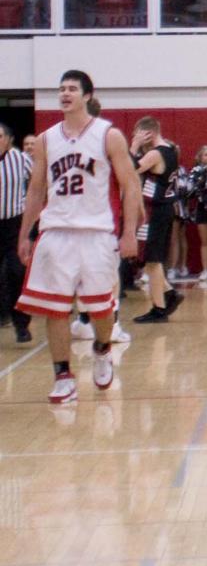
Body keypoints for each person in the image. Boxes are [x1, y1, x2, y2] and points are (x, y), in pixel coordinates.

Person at [16, 70, 142, 404]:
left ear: (87, 95)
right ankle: (63, 375)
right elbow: (36, 189)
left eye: (72, 88)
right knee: (55, 310)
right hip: (55, 232)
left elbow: (130, 185)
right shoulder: (45, 139)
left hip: (96, 233)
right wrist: (26, 233)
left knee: (100, 309)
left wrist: (129, 232)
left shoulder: (108, 135)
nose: (65, 93)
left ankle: (102, 348)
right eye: (61, 89)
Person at [129, 117, 184, 324]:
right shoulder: (170, 149)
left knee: (152, 260)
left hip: (157, 210)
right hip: (164, 208)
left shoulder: (155, 153)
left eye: (138, 135)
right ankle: (169, 293)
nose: (136, 138)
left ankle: (159, 308)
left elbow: (130, 167)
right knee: (150, 259)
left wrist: (133, 147)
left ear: (147, 133)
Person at [0, 123, 34, 344]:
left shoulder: (21, 159)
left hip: (14, 224)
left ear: (8, 139)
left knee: (16, 273)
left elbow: (39, 183)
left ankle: (21, 325)